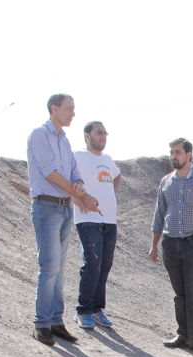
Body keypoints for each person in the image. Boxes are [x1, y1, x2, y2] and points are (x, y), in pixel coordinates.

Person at [26, 94, 100, 346]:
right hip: (46, 207)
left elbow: (73, 171)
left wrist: (78, 184)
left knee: (58, 269)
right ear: (54, 109)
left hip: (64, 208)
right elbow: (50, 173)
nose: (73, 114)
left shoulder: (64, 140)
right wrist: (81, 195)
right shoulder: (39, 135)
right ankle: (41, 323)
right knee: (49, 267)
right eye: (69, 109)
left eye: (74, 109)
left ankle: (56, 321)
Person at [149, 138, 193, 357]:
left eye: (178, 152)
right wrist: (154, 245)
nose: (173, 156)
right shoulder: (166, 182)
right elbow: (159, 214)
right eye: (171, 152)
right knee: (179, 294)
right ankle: (183, 336)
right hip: (170, 244)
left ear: (189, 154)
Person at [73, 121, 122, 330]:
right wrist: (79, 201)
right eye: (98, 132)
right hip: (88, 219)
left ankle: (96, 309)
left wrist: (110, 195)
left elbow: (117, 176)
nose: (103, 136)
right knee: (92, 263)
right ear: (87, 135)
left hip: (109, 219)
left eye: (105, 133)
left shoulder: (107, 160)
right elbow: (66, 181)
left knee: (105, 264)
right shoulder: (78, 156)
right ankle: (83, 310)